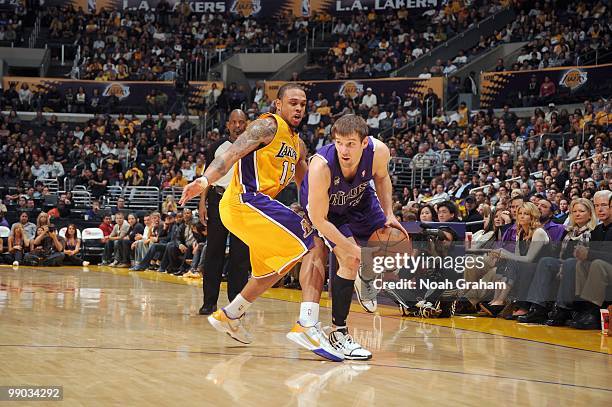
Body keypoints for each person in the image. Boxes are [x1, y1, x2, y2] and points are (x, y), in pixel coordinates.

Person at [179, 84, 317, 350]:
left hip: (256, 208)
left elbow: (306, 186)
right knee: (313, 243)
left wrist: (318, 212)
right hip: (243, 200)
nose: (299, 108)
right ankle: (308, 324)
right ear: (279, 105)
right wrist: (205, 180)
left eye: (302, 103)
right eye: (293, 103)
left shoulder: (298, 145)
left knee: (277, 266)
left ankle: (231, 314)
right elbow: (232, 153)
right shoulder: (267, 126)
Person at [287, 114, 409, 361]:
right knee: (350, 259)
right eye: (339, 142)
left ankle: (367, 275)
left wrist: (389, 213)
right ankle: (338, 333)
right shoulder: (321, 167)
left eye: (351, 143)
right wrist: (354, 251)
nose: (344, 149)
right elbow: (320, 219)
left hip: (360, 200)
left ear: (364, 143)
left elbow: (382, 178)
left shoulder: (379, 152)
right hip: (326, 210)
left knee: (391, 241)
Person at [198, 110, 251, 315]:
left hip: (242, 202)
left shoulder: (254, 148)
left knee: (240, 255)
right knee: (214, 252)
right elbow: (206, 176)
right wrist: (202, 203)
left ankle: (235, 305)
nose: (238, 126)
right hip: (217, 199)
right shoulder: (215, 147)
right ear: (228, 124)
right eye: (234, 122)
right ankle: (208, 302)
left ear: (247, 125)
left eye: (241, 122)